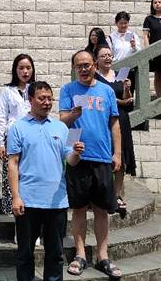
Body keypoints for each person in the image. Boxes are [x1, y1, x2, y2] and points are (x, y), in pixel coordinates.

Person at [8, 81, 84, 281]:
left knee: (55, 254)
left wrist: (76, 153)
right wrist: (15, 196)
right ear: (30, 99)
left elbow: (71, 161)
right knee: (25, 253)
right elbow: (12, 163)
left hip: (56, 201)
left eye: (50, 99)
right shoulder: (18, 128)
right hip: (28, 200)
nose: (47, 102)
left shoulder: (62, 127)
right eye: (42, 98)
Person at [59, 50, 122, 280]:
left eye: (87, 65)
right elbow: (62, 122)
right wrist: (73, 115)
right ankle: (80, 254)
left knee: (101, 210)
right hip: (77, 156)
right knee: (78, 208)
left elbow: (114, 124)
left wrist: (118, 153)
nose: (84, 69)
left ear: (94, 65)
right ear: (74, 68)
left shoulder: (106, 91)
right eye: (79, 66)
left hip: (102, 156)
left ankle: (103, 256)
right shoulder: (68, 90)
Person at [94, 46, 136, 219]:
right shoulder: (94, 77)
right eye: (103, 55)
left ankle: (117, 195)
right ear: (97, 60)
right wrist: (121, 102)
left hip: (122, 119)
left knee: (121, 157)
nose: (107, 58)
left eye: (110, 55)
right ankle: (101, 194)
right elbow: (101, 98)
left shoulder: (120, 75)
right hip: (103, 119)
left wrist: (127, 89)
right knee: (104, 156)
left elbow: (128, 101)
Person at [0, 54, 35, 217]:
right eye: (21, 68)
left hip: (32, 136)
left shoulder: (35, 88)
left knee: (30, 172)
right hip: (12, 136)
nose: (25, 72)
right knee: (12, 173)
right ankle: (13, 211)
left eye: (28, 68)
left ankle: (31, 209)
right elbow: (2, 116)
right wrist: (0, 142)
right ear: (15, 70)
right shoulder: (7, 90)